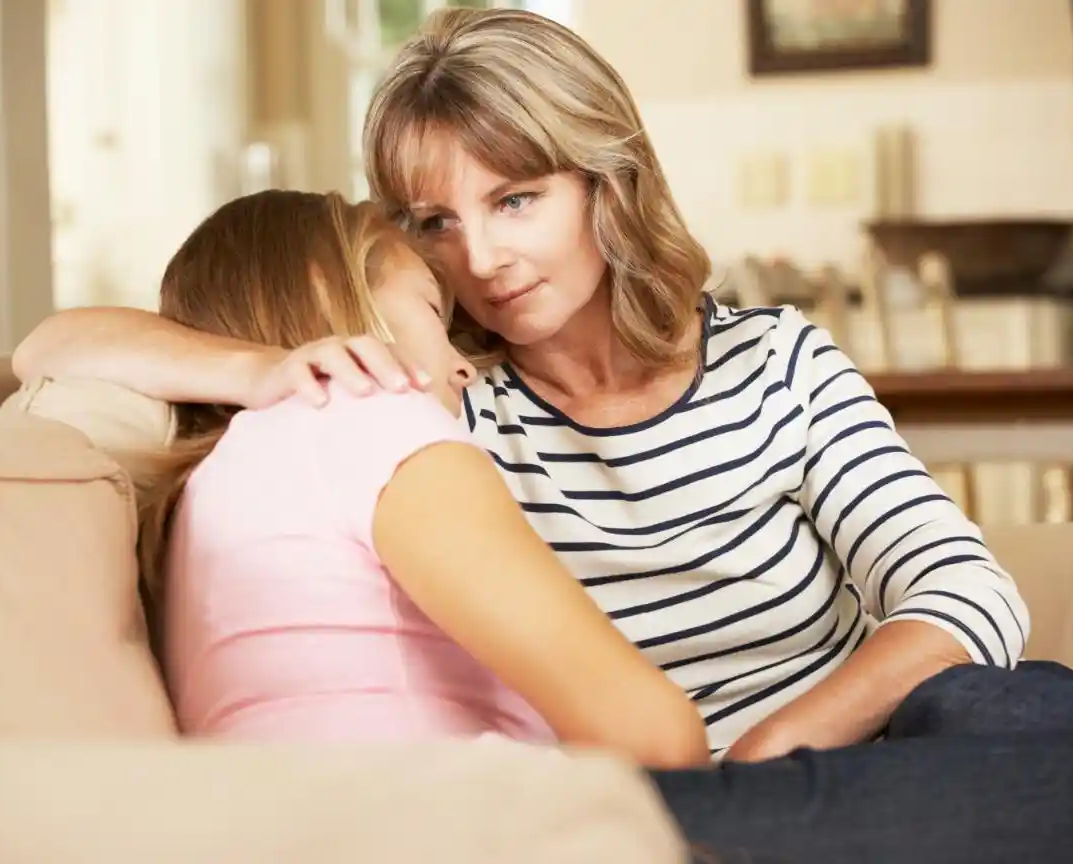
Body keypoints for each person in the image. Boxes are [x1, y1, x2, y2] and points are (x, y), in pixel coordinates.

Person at [14, 9, 1073, 860]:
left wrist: (777, 750)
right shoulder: (439, 405)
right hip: (653, 805)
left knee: (1022, 700)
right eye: (435, 223)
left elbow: (966, 592)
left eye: (517, 200)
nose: (480, 259)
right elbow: (59, 340)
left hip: (848, 766)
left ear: (604, 183)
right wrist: (251, 369)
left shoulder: (778, 362)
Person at [144, 188, 709, 768]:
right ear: (326, 287)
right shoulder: (373, 419)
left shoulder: (211, 484)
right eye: (434, 314)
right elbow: (656, 738)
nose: (464, 368)